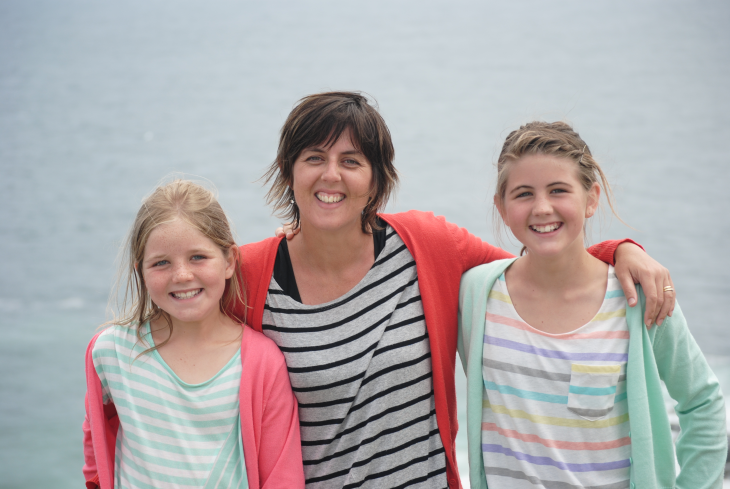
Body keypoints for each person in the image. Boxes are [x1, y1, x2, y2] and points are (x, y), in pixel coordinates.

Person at [233, 92, 675, 489]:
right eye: (314, 158)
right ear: (289, 171)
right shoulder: (250, 274)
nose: (332, 175)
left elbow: (537, 266)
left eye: (351, 161)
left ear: (375, 179)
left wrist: (617, 251)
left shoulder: (425, 244)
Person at [458, 121, 726, 489]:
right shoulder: (477, 294)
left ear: (592, 198)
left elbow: (703, 402)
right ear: (501, 207)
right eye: (522, 194)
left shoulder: (640, 298)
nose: (542, 207)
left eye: (558, 190)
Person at [82, 180, 304, 489]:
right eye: (161, 263)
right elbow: (96, 448)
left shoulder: (262, 363)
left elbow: (283, 477)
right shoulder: (110, 353)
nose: (182, 275)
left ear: (229, 261)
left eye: (198, 257)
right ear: (141, 273)